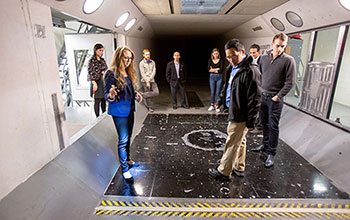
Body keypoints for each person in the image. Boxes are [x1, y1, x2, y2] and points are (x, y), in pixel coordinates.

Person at [208, 39, 261, 181]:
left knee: (232, 141)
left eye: (234, 56)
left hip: (241, 113)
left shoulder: (251, 70)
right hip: (232, 108)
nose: (231, 60)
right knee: (240, 140)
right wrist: (220, 100)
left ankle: (224, 171)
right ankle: (239, 166)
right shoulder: (231, 67)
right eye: (228, 57)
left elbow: (255, 98)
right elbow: (227, 86)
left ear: (243, 52)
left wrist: (251, 121)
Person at [251, 33, 296, 168]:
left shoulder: (288, 60)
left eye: (283, 46)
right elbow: (260, 76)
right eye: (277, 45)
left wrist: (278, 96)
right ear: (272, 44)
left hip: (275, 99)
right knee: (263, 123)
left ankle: (271, 153)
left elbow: (290, 82)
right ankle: (264, 145)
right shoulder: (263, 58)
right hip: (263, 97)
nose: (280, 48)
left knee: (273, 126)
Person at [104, 46, 143, 183]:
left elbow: (129, 89)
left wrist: (135, 93)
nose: (127, 61)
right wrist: (111, 94)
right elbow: (107, 96)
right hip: (119, 111)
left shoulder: (128, 72)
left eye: (130, 58)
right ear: (119, 57)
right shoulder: (111, 73)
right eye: (125, 58)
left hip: (130, 109)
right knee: (123, 140)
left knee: (129, 136)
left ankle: (128, 160)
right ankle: (124, 169)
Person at [88, 43, 108, 117]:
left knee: (103, 100)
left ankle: (103, 116)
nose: (101, 52)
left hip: (103, 82)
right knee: (97, 101)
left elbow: (106, 69)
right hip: (96, 82)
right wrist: (94, 84)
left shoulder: (102, 60)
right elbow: (90, 73)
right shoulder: (92, 61)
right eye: (100, 50)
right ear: (95, 50)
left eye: (102, 51)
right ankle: (97, 117)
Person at [249, 44, 263, 134]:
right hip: (255, 87)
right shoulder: (253, 61)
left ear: (258, 52)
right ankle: (254, 124)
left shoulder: (261, 61)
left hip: (261, 88)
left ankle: (259, 127)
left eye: (254, 53)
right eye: (251, 53)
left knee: (260, 108)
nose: (252, 54)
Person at [208, 48, 224, 112]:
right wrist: (217, 69)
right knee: (212, 91)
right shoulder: (210, 60)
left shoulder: (221, 61)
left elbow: (221, 70)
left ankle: (217, 105)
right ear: (212, 54)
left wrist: (213, 69)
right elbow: (209, 69)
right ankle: (212, 105)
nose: (216, 55)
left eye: (217, 54)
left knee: (218, 92)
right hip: (212, 76)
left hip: (219, 77)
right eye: (214, 54)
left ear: (218, 54)